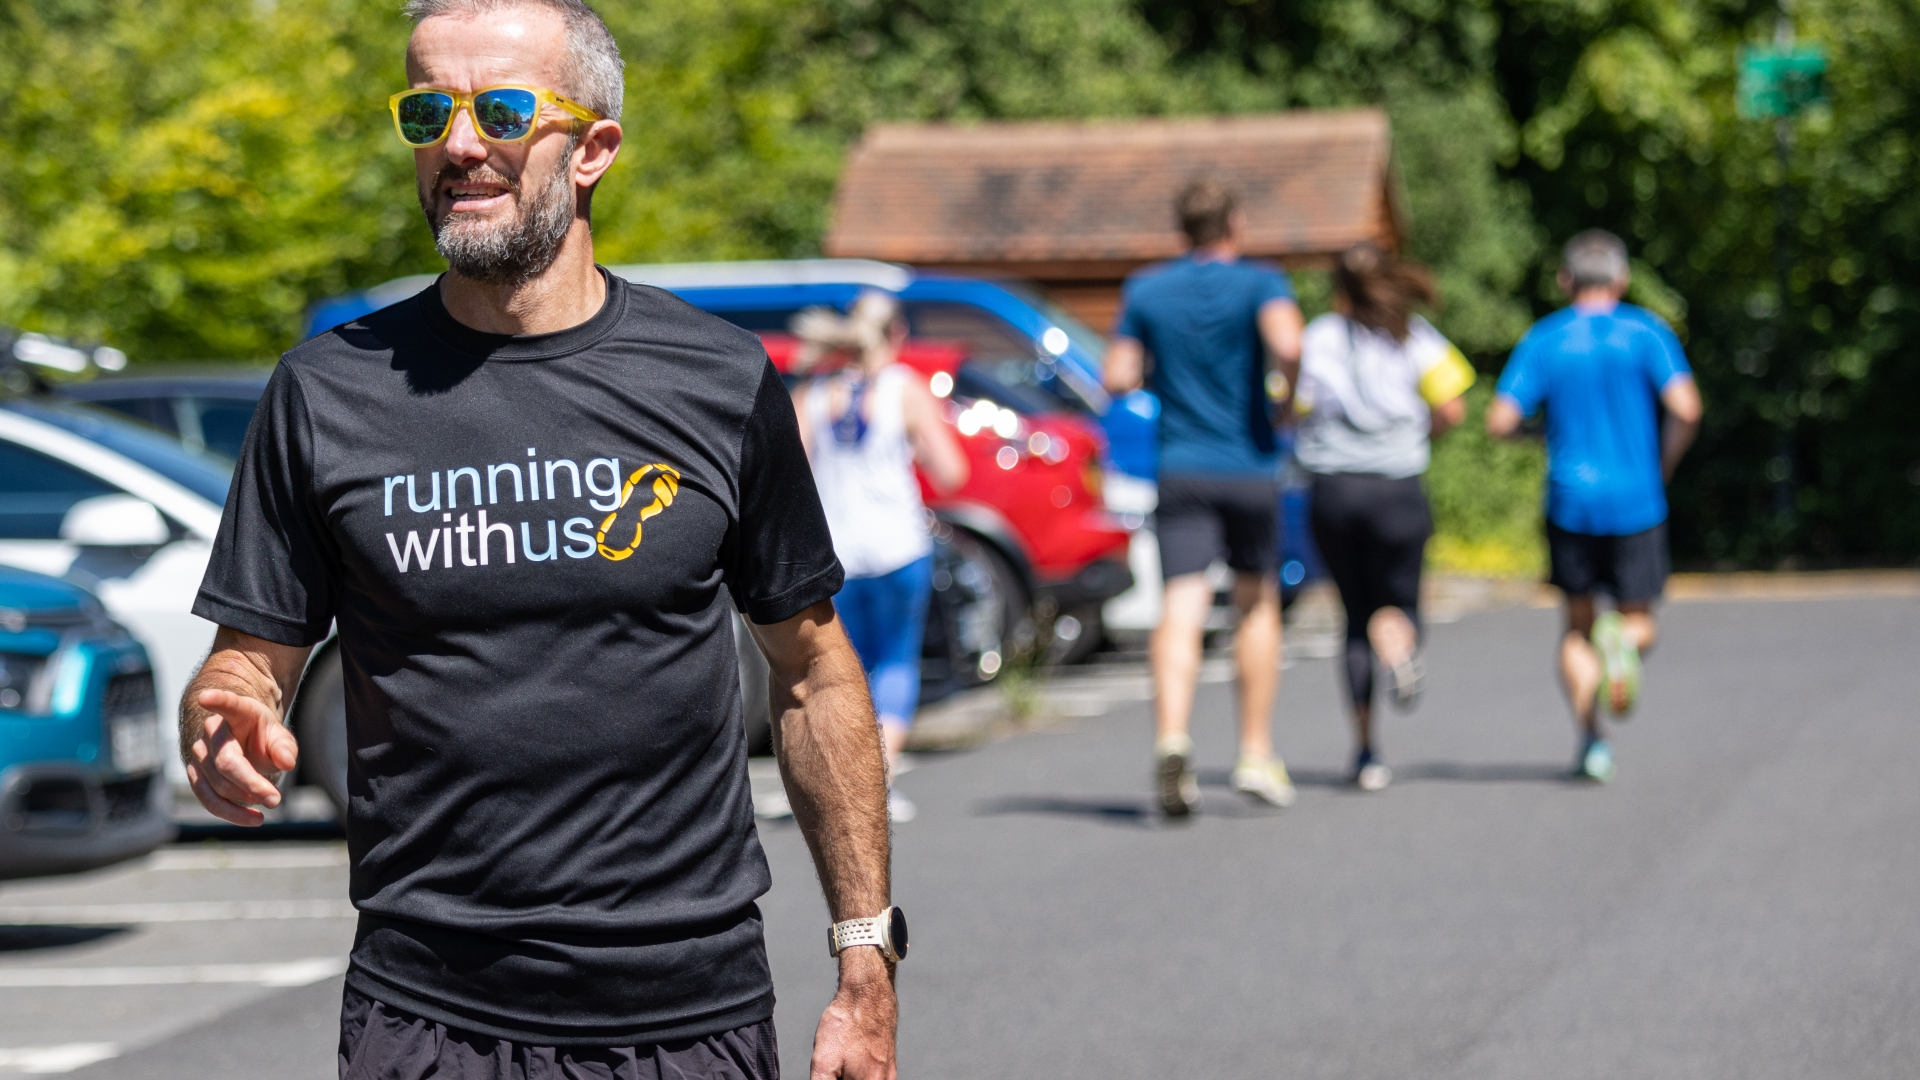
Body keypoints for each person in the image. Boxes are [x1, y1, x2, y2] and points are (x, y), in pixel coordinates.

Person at [178, 2, 902, 1077]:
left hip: (687, 1015)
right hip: (428, 1015)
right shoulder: (324, 394)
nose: (459, 144)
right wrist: (225, 706)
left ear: (595, 147)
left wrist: (864, 955)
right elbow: (254, 656)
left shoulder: (714, 379)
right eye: (429, 111)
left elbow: (811, 675)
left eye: (502, 110)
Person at [1105, 178, 1304, 817]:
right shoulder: (1261, 282)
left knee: (1182, 604)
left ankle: (1172, 734)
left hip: (1181, 467)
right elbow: (1290, 344)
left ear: (1181, 228)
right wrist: (1282, 399)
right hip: (1249, 465)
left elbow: (1118, 376)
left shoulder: (1146, 290)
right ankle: (1254, 752)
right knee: (1255, 603)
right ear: (1235, 224)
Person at [1487, 229, 1702, 783]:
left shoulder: (1546, 339)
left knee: (1576, 630)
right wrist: (1663, 464)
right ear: (1622, 278)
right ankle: (1624, 642)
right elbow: (1687, 407)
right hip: (1638, 499)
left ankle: (1591, 741)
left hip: (1570, 502)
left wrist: (1543, 435)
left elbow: (1501, 422)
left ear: (1565, 280)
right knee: (1641, 622)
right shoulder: (1646, 332)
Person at [1293, 244, 1474, 792]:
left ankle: (1367, 752)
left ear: (1338, 290)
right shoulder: (1413, 335)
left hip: (1334, 489)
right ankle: (1397, 643)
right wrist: (1419, 433)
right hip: (1398, 487)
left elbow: (1290, 400)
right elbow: (1453, 408)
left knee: (1353, 616)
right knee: (1402, 603)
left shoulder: (1318, 337)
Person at [791, 291, 969, 824]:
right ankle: (880, 779)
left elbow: (790, 472)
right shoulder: (905, 389)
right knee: (894, 661)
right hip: (897, 548)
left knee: (844, 671)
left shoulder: (815, 392)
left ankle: (842, 783)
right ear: (896, 337)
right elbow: (952, 472)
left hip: (836, 552)